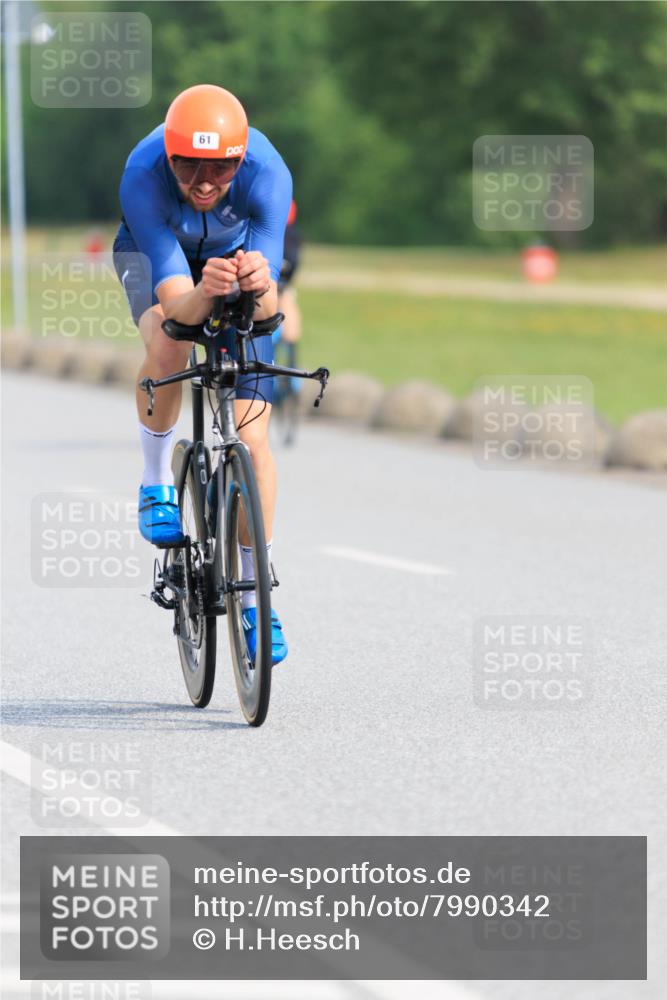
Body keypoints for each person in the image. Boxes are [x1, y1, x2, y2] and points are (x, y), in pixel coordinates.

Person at [113, 84, 292, 665]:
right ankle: (156, 478)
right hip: (159, 261)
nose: (204, 180)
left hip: (238, 263)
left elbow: (269, 318)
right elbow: (175, 309)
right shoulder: (143, 175)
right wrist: (203, 291)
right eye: (188, 164)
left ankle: (255, 595)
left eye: (219, 167)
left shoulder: (268, 174)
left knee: (255, 438)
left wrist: (260, 285)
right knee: (168, 349)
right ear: (168, 155)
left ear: (240, 160)